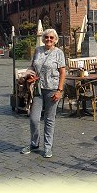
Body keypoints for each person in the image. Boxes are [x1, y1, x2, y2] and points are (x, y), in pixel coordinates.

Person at [20, 28, 66, 159]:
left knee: (49, 120)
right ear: (43, 38)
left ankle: (47, 147)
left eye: (51, 37)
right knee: (34, 119)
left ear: (55, 39)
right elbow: (33, 66)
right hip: (38, 89)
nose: (49, 39)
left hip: (52, 89)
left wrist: (59, 90)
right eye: (46, 37)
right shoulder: (38, 51)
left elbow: (62, 72)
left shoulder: (59, 53)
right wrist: (29, 75)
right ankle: (34, 144)